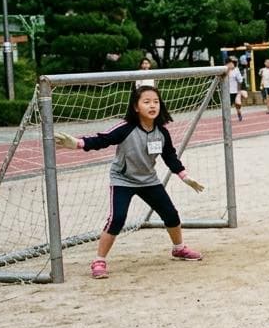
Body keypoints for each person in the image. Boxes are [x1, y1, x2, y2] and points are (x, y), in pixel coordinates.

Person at [51, 85, 206, 279]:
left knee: (171, 214)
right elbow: (104, 139)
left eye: (156, 102)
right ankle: (99, 261)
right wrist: (78, 143)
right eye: (147, 102)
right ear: (135, 106)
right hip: (123, 180)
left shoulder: (161, 132)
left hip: (148, 180)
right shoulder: (126, 128)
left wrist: (184, 176)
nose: (152, 106)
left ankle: (178, 248)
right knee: (117, 218)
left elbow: (170, 157)